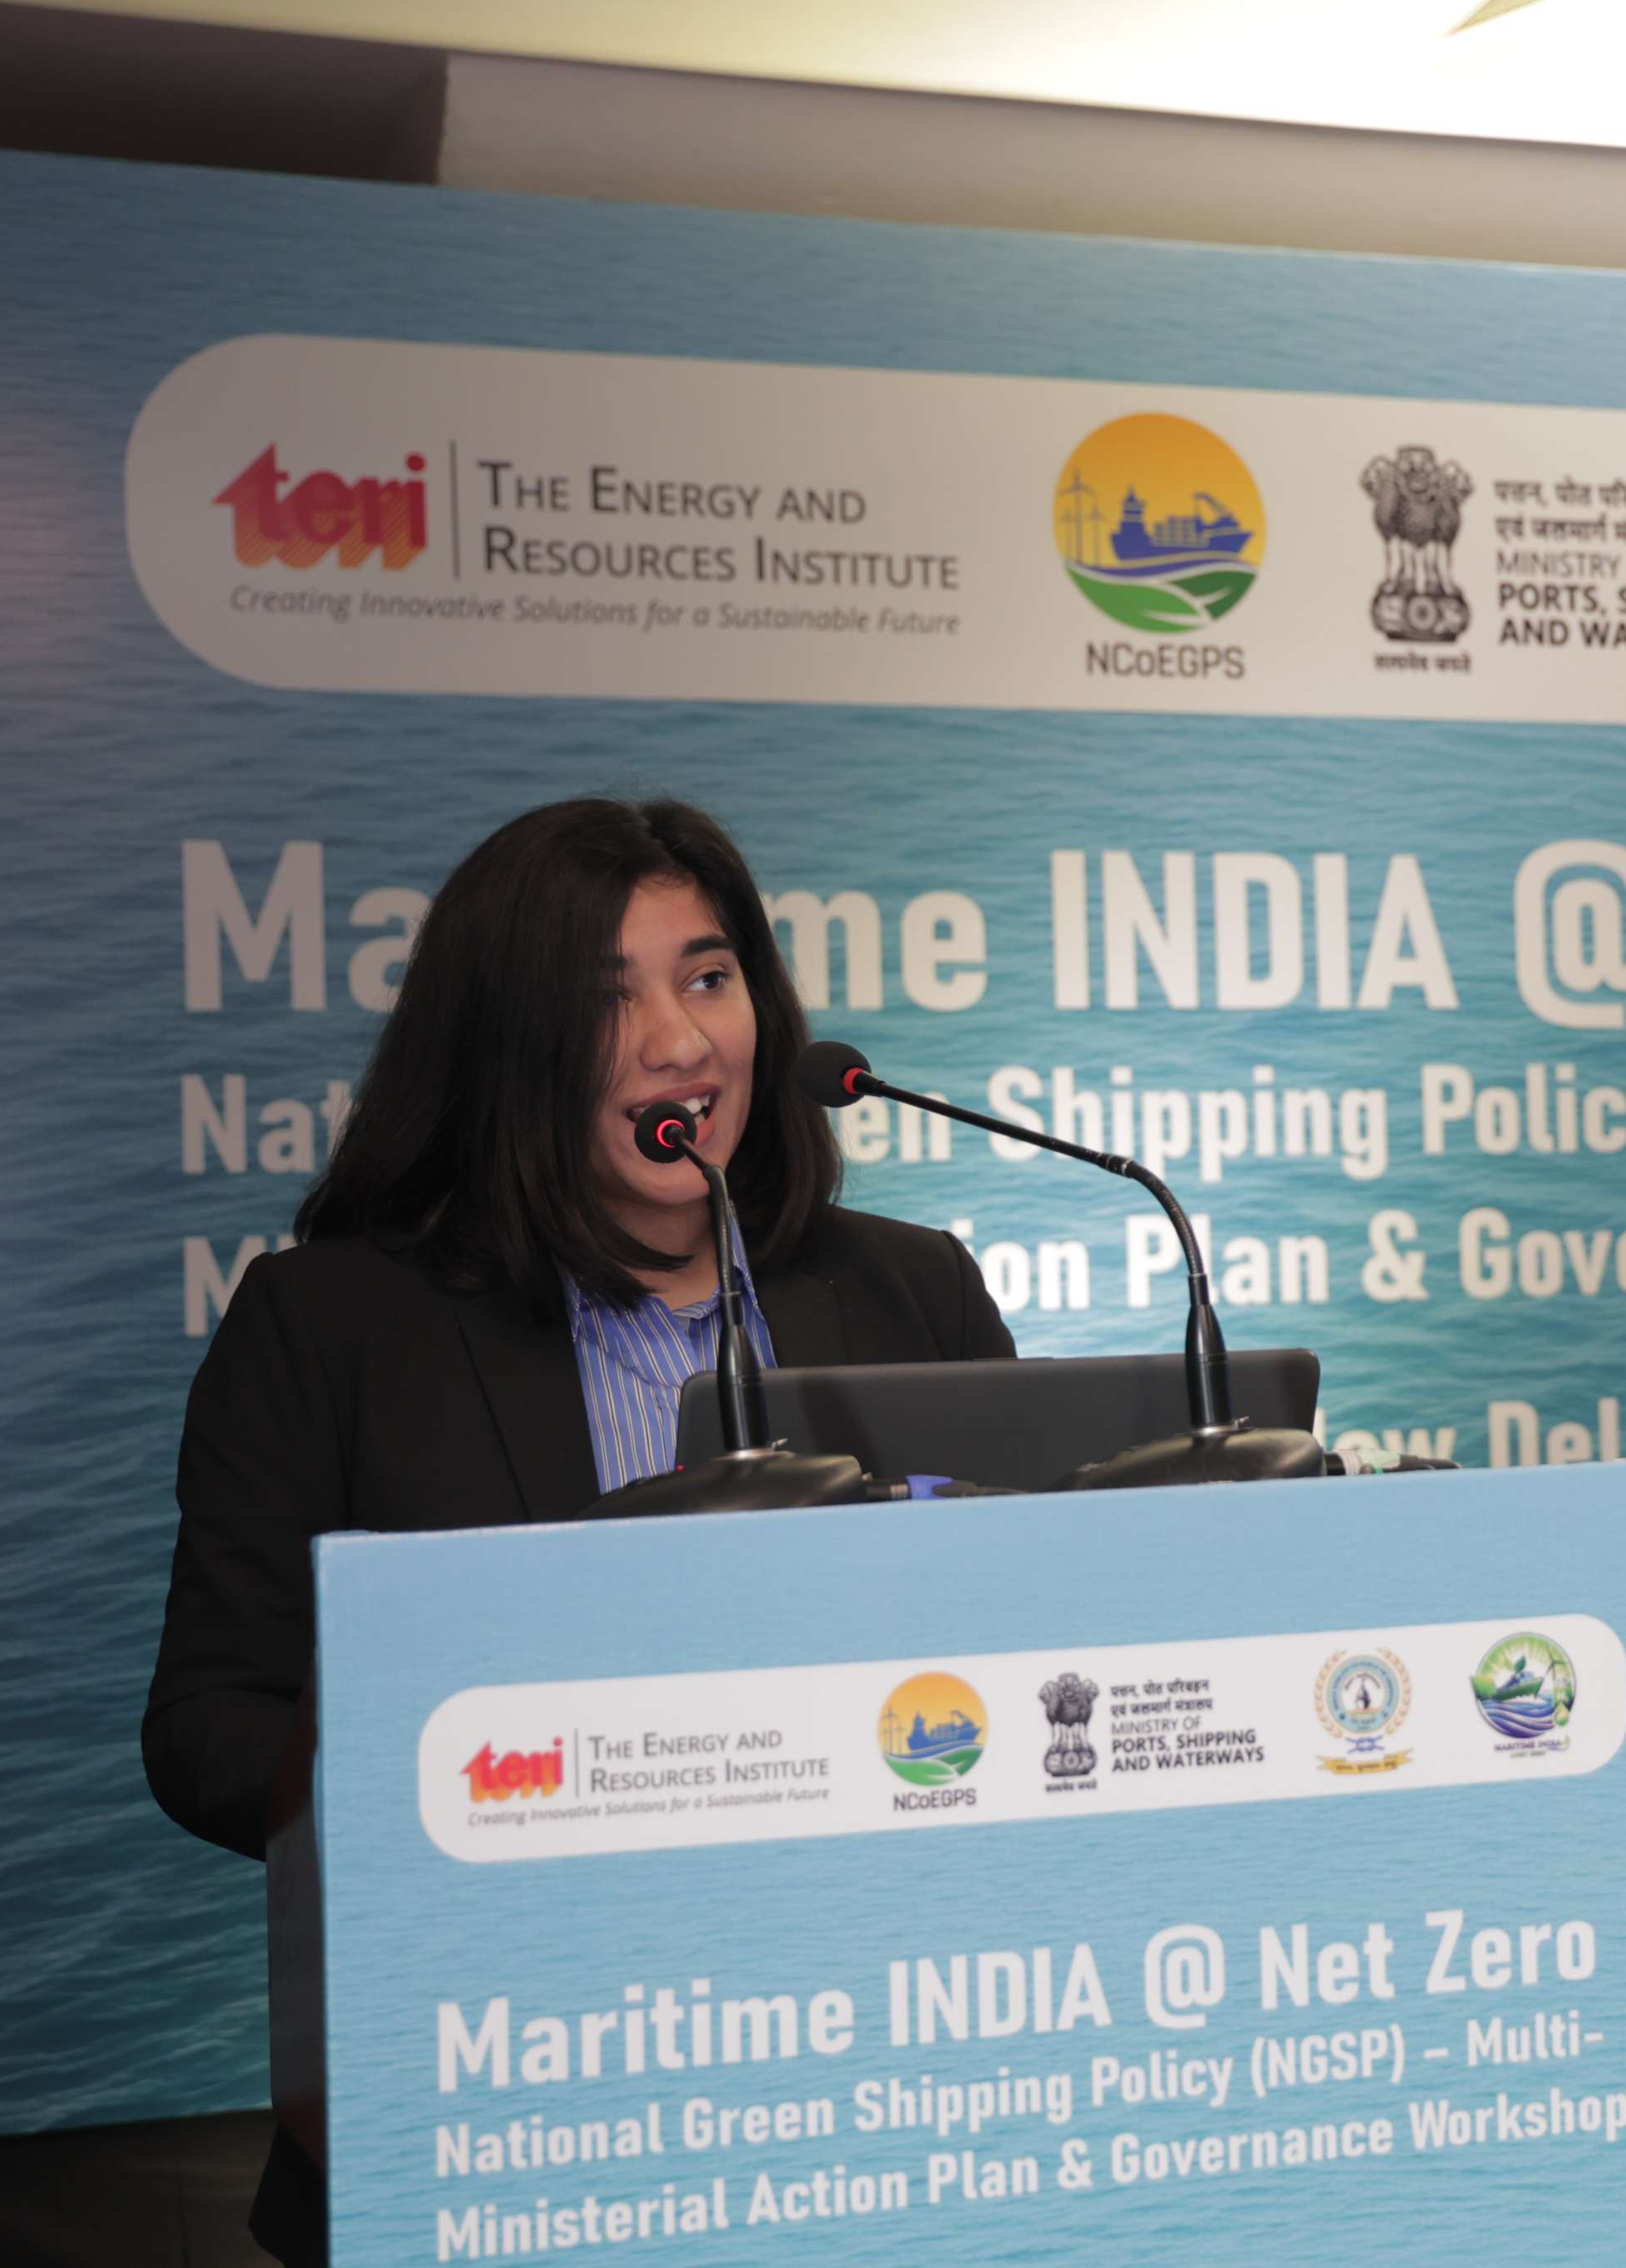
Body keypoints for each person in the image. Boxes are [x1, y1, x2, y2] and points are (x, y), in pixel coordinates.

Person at [141, 796, 1010, 2264]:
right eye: (611, 998)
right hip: (504, 2097)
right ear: (505, 1048)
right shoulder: (334, 1326)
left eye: (709, 977)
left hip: (874, 2085)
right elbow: (205, 1729)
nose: (680, 1041)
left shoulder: (914, 1292)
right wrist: (451, 1754)